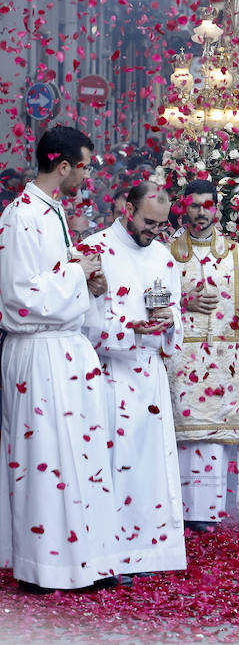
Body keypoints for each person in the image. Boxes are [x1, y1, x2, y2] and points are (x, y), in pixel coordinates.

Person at [0, 127, 123, 591]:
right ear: (65, 166)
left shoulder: (52, 213)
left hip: (64, 349)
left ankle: (83, 560)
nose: (89, 175)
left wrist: (84, 276)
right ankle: (45, 567)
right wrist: (78, 270)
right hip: (39, 350)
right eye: (86, 166)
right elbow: (18, 297)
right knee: (46, 456)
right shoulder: (20, 216)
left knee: (78, 455)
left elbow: (53, 279)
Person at [84, 182, 186, 575]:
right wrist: (130, 331)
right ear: (127, 208)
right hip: (109, 373)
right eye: (148, 222)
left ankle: (150, 552)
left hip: (150, 374)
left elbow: (174, 312)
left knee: (151, 466)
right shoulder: (94, 250)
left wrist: (168, 323)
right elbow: (82, 322)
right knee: (112, 463)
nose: (155, 232)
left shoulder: (163, 256)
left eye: (161, 225)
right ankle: (110, 554)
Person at [168, 180, 239, 531]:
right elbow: (145, 301)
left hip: (224, 361)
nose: (200, 212)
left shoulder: (238, 255)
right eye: (193, 205)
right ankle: (176, 510)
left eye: (206, 205)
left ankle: (208, 512)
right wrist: (184, 302)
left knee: (212, 438)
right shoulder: (165, 254)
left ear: (217, 209)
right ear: (183, 208)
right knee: (183, 436)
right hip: (181, 362)